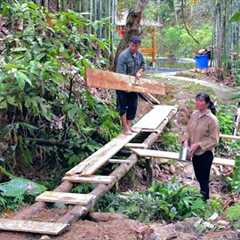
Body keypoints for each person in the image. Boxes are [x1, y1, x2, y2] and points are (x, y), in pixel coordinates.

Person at [182, 92, 219, 200]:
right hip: (193, 152)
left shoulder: (212, 120)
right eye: (197, 100)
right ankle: (201, 199)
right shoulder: (194, 115)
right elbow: (188, 130)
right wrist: (185, 142)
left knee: (203, 179)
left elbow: (214, 139)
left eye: (201, 101)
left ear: (207, 104)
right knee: (198, 177)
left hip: (205, 153)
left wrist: (198, 144)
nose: (198, 103)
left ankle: (204, 200)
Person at [116, 36, 145, 134]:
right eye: (132, 46)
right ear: (129, 44)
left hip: (133, 85)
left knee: (133, 105)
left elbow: (143, 66)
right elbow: (120, 74)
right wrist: (126, 87)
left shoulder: (139, 55)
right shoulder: (123, 56)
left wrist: (139, 72)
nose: (134, 48)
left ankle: (129, 125)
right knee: (122, 106)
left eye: (136, 46)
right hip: (122, 84)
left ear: (138, 46)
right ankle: (125, 128)